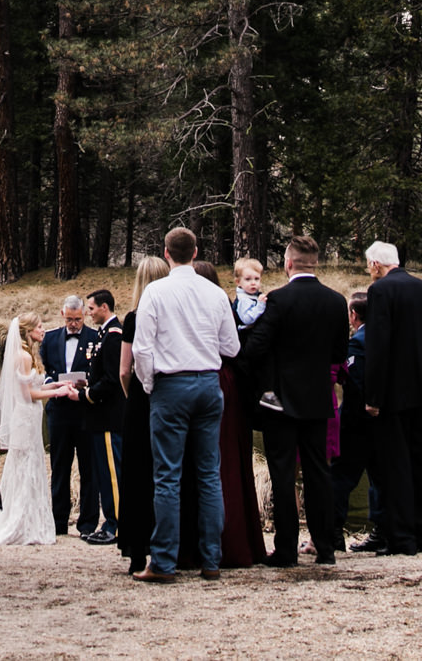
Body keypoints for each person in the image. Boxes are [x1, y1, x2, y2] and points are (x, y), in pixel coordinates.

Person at [131, 227, 240, 584]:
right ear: (195, 253)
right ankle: (211, 559)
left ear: (167, 253)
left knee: (168, 476)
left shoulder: (155, 292)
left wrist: (150, 385)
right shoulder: (214, 293)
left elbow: (141, 349)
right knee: (209, 473)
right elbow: (232, 348)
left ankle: (164, 561)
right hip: (208, 383)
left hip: (171, 384)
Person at [239, 235, 349, 565]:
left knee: (283, 475)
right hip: (318, 399)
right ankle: (325, 548)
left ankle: (286, 549)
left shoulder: (279, 301)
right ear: (315, 263)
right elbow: (339, 353)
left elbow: (253, 348)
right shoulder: (335, 301)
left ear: (288, 263)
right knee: (319, 474)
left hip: (280, 401)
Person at [357, 240, 422, 556]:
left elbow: (378, 347)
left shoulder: (381, 292)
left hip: (393, 395)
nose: (369, 271)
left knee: (395, 465)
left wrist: (374, 396)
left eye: (369, 266)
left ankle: (402, 540)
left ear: (377, 265)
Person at [0, 315, 82, 547]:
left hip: (31, 415)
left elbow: (35, 385)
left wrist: (57, 384)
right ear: (28, 331)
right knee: (24, 464)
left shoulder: (29, 354)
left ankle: (32, 518)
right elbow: (27, 394)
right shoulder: (22, 356)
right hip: (25, 416)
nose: (43, 330)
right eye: (39, 327)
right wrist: (56, 394)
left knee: (32, 463)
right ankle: (21, 519)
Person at [196, 260, 267, 571]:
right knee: (227, 462)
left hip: (213, 381)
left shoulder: (221, 305)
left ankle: (215, 543)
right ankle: (233, 540)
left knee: (219, 460)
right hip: (225, 382)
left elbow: (234, 347)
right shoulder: (222, 303)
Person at [102, 257, 166, 575]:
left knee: (137, 474)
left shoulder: (134, 317)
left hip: (140, 399)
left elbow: (124, 370)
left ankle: (137, 548)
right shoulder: (173, 314)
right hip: (170, 394)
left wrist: (134, 396)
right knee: (167, 472)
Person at [42, 296, 104, 540]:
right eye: (69, 319)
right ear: (62, 314)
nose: (74, 324)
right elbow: (44, 368)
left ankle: (87, 523)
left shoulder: (95, 338)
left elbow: (100, 371)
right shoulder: (50, 338)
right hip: (58, 410)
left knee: (89, 467)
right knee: (59, 466)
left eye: (78, 320)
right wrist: (52, 383)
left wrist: (87, 383)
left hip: (85, 410)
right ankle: (58, 522)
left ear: (84, 317)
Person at [332, 288, 383, 551]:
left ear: (353, 315)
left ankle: (334, 533)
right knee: (378, 476)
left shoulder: (358, 344)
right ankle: (381, 531)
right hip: (380, 421)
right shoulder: (385, 339)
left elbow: (354, 381)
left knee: (341, 476)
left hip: (356, 420)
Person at [80, 290, 121, 545]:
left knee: (112, 474)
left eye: (92, 308)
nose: (89, 313)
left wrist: (87, 395)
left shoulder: (114, 336)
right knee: (104, 473)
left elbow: (112, 380)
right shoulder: (105, 335)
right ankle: (110, 521)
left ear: (104, 307)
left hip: (109, 416)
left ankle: (116, 524)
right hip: (101, 417)